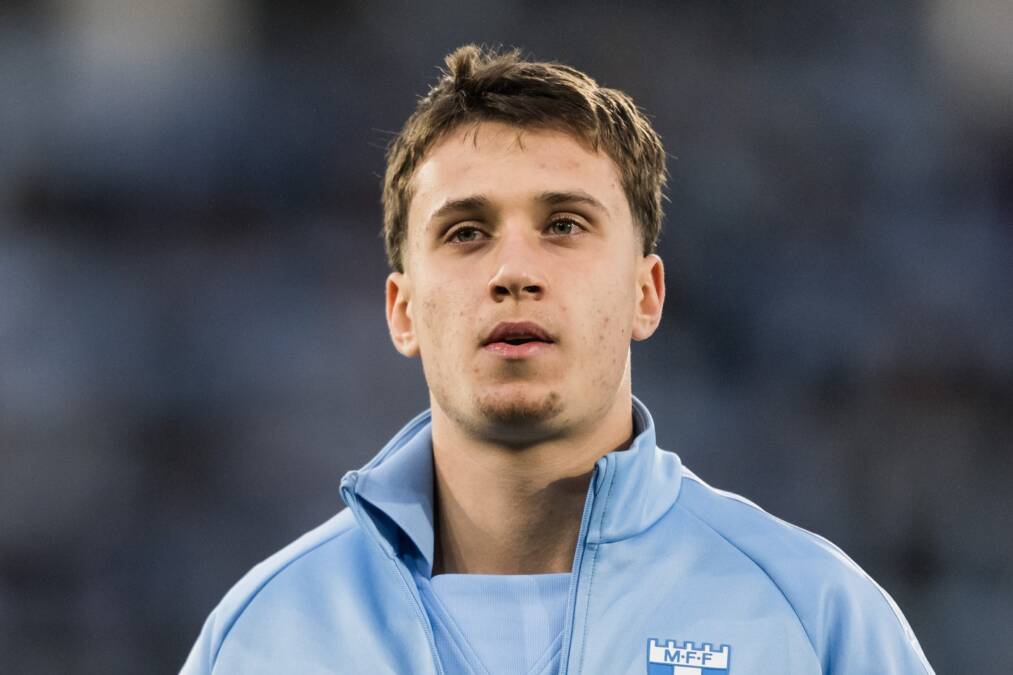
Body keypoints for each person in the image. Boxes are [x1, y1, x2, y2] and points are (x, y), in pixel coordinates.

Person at [182, 45, 934, 675]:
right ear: (402, 310)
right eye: (466, 232)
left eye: (565, 224)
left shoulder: (815, 618)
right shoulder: (263, 637)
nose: (515, 270)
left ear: (645, 293)